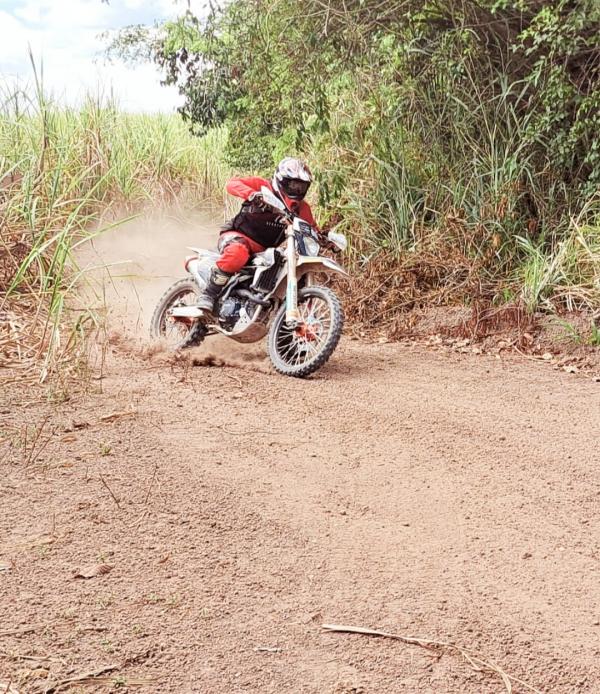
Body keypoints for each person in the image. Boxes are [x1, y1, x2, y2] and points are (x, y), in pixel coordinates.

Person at [196, 157, 319, 314]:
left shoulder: (301, 208)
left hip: (264, 252)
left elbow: (312, 228)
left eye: (301, 186)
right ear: (282, 180)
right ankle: (209, 295)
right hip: (237, 236)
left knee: (288, 268)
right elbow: (232, 184)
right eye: (294, 184)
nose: (297, 190)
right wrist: (252, 194)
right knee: (237, 253)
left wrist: (324, 238)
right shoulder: (262, 186)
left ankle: (282, 325)